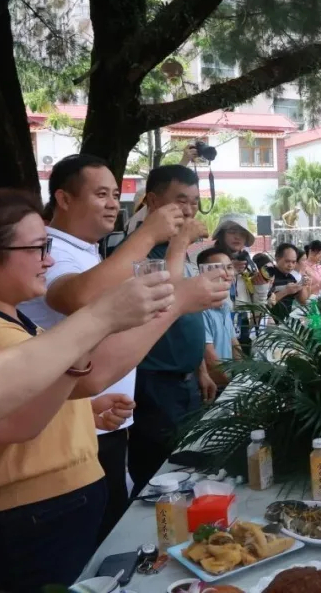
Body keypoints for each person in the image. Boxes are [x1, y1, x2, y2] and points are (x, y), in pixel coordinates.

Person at [0, 189, 225, 591]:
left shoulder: (9, 320)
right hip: (32, 513)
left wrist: (78, 411)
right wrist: (142, 309)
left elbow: (33, 399)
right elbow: (69, 388)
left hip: (50, 506)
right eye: (37, 249)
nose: (48, 260)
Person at [17, 154, 186, 545]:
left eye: (114, 194)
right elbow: (76, 297)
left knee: (111, 533)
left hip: (98, 415)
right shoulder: (54, 249)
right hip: (68, 429)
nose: (113, 204)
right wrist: (147, 235)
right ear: (64, 198)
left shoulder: (87, 251)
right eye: (101, 194)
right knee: (94, 546)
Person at [128, 165, 223, 497]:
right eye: (181, 201)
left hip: (186, 379)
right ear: (153, 202)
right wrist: (181, 242)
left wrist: (201, 369)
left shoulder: (179, 251)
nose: (189, 211)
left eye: (194, 202)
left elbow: (187, 314)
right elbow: (167, 300)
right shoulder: (138, 251)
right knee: (159, 476)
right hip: (154, 382)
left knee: (188, 466)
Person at [196, 247, 240, 390]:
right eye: (219, 269)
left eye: (229, 267)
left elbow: (234, 344)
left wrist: (246, 374)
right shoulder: (200, 309)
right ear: (203, 273)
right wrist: (234, 388)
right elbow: (210, 360)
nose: (227, 274)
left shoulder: (224, 305)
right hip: (215, 388)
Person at [268, 243, 309, 308]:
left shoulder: (291, 278)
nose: (290, 265)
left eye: (293, 262)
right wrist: (285, 291)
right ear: (277, 259)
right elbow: (264, 305)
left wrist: (303, 284)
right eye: (287, 261)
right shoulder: (268, 275)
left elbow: (303, 301)